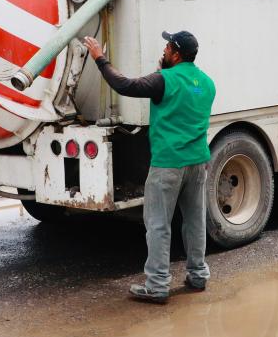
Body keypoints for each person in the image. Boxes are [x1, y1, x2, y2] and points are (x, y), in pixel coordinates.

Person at [82, 30, 216, 304]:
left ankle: (156, 285)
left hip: (168, 163)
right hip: (197, 161)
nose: (164, 51)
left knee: (157, 224)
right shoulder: (206, 83)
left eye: (167, 48)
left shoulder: (164, 80)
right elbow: (182, 103)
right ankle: (198, 275)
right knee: (194, 220)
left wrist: (100, 58)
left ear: (176, 54)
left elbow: (125, 86)